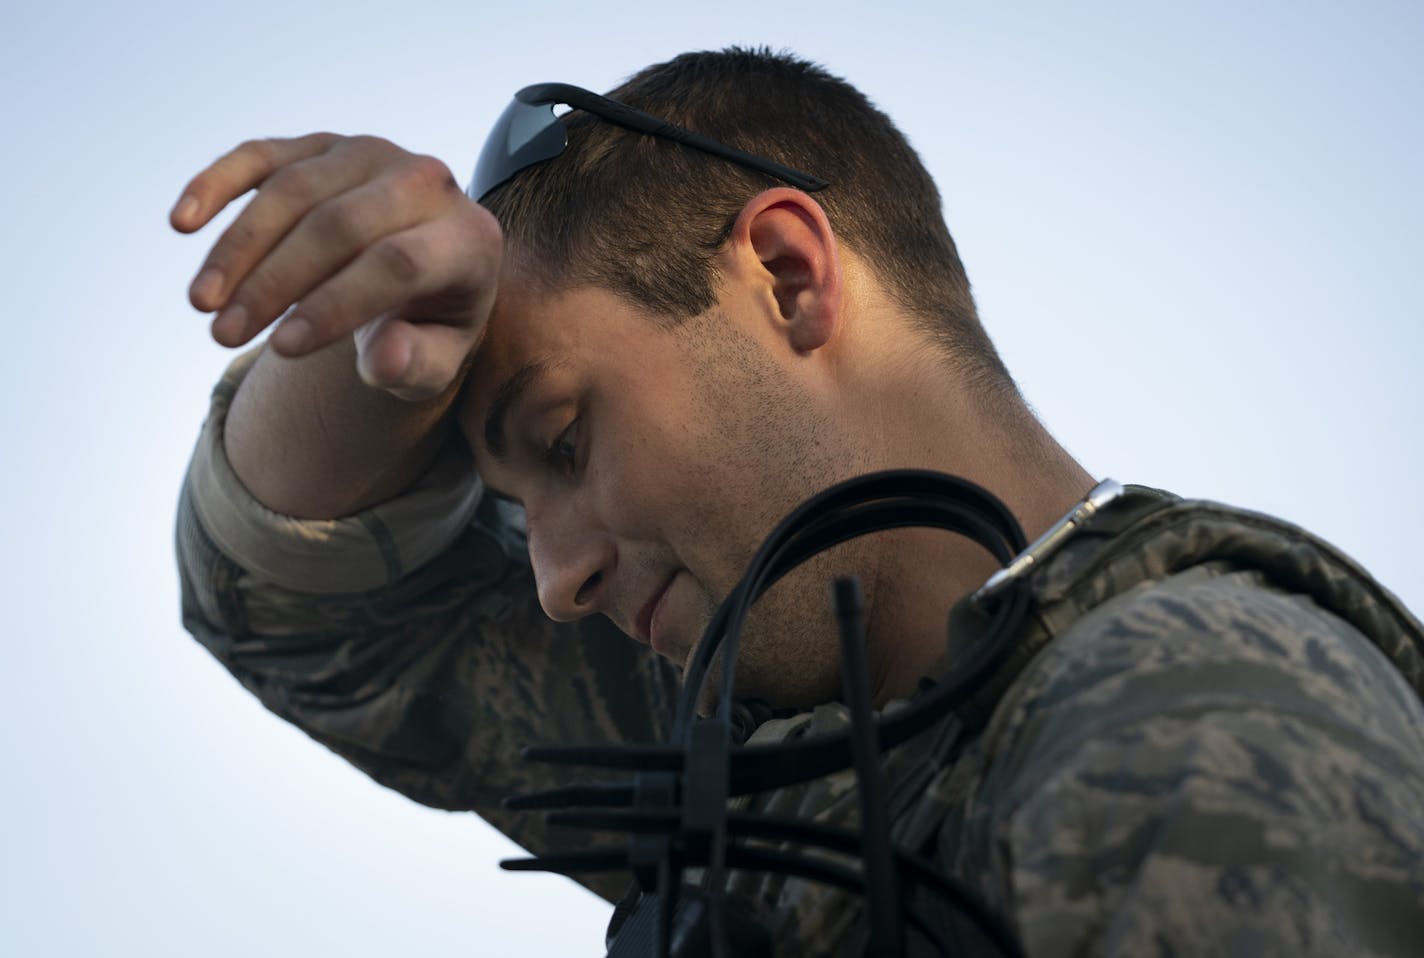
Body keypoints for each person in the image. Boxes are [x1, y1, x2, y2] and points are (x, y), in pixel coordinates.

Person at [173, 48, 1424, 956]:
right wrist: (375, 367)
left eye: (561, 440)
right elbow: (292, 610)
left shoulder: (1186, 712)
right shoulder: (771, 718)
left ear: (784, 275)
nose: (553, 583)